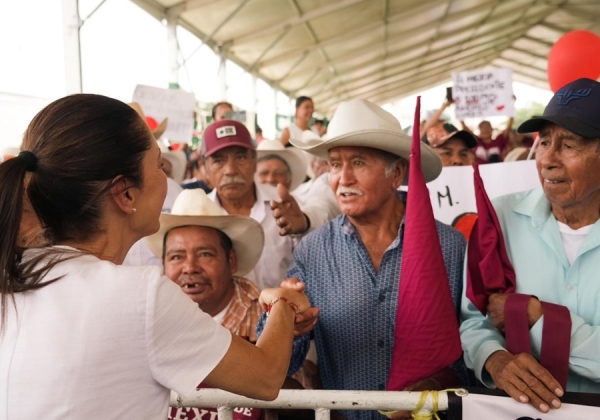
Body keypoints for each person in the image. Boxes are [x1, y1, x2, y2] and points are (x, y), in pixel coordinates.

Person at [0, 94, 310, 418]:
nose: (166, 180)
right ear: (125, 193)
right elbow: (265, 377)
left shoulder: (14, 278)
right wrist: (283, 303)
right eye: (159, 165)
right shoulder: (140, 297)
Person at [265, 98, 469, 420]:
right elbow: (282, 365)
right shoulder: (313, 250)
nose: (343, 178)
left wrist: (430, 386)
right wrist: (287, 322)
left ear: (396, 173)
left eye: (358, 162)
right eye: (334, 164)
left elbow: (469, 343)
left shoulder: (449, 247)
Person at [460, 78, 600, 414]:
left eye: (569, 145)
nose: (548, 159)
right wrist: (496, 360)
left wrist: (539, 318)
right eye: (545, 142)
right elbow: (474, 319)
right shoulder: (500, 219)